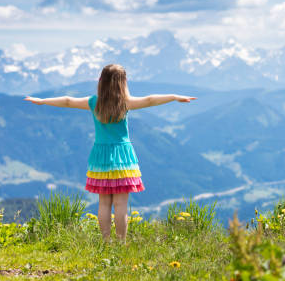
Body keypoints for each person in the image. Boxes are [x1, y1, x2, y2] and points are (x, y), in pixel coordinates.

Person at [24, 63, 196, 243]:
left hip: (101, 156)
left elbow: (68, 101)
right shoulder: (125, 102)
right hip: (122, 156)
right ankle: (121, 243)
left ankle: (106, 242)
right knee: (121, 204)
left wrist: (42, 101)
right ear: (123, 83)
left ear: (101, 82)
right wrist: (175, 97)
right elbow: (151, 99)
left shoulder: (93, 102)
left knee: (104, 203)